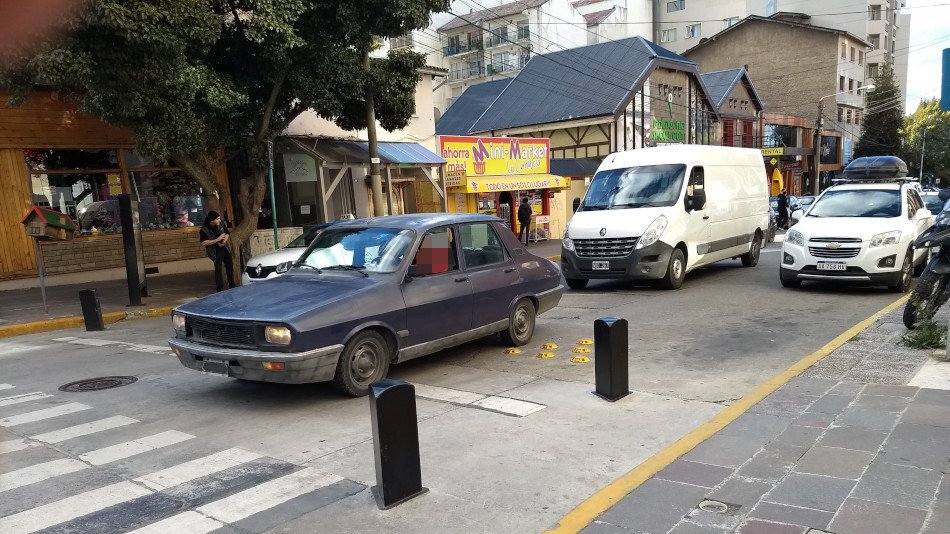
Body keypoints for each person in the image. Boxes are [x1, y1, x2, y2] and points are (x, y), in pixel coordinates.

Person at [199, 211, 236, 291]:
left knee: (229, 266)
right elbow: (204, 242)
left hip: (225, 248)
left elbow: (227, 233)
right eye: (218, 219)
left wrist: (224, 241)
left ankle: (232, 285)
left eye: (219, 218)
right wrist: (217, 240)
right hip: (215, 251)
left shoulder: (221, 223)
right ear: (212, 220)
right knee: (218, 269)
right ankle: (220, 288)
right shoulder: (204, 229)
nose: (220, 220)